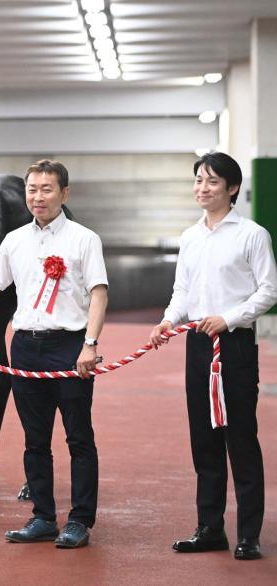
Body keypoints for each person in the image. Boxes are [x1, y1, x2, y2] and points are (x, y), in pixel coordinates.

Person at [0, 159, 108, 548]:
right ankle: (44, 517)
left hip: (69, 347)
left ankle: (80, 520)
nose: (37, 197)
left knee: (78, 437)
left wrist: (90, 343)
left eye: (47, 189)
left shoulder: (85, 239)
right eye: (32, 189)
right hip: (26, 347)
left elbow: (99, 293)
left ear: (64, 194)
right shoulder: (14, 240)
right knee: (35, 440)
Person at [149, 152, 277, 561]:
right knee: (203, 439)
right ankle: (210, 528)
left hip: (234, 345)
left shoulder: (252, 234)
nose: (202, 188)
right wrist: (167, 321)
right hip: (199, 345)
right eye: (198, 181)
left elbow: (268, 290)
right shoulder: (191, 236)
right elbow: (182, 291)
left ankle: (249, 535)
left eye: (212, 182)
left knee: (239, 438)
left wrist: (229, 318)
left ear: (233, 188)